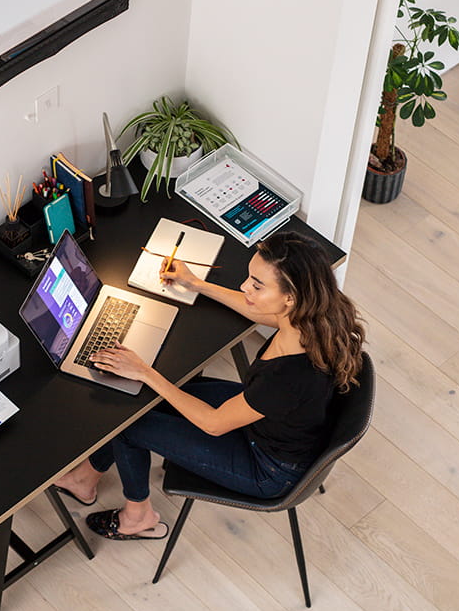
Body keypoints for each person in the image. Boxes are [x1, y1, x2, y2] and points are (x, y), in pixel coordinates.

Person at [53, 231, 366, 540]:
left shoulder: (288, 377)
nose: (245, 287)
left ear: (290, 297)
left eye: (257, 285)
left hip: (268, 467)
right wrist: (196, 284)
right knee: (146, 398)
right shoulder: (316, 314)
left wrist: (145, 372)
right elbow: (259, 312)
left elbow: (214, 424)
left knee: (128, 423)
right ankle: (86, 477)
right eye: (249, 278)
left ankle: (138, 517)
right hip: (273, 422)